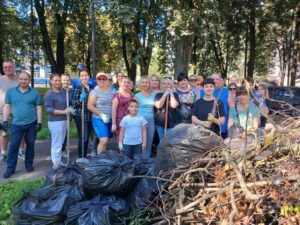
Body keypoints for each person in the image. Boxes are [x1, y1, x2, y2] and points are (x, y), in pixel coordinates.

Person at [2, 71, 42, 178]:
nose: (23, 81)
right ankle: (10, 169)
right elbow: (7, 106)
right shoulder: (11, 92)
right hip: (16, 124)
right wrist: (4, 120)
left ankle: (29, 165)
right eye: (21, 79)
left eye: (25, 79)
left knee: (30, 145)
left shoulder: (35, 93)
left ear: (29, 80)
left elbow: (39, 108)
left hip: (32, 123)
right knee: (14, 146)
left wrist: (39, 122)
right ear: (18, 80)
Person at [44, 74, 70, 169]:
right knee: (57, 143)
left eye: (59, 80)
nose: (58, 82)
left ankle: (58, 161)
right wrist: (64, 111)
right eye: (55, 80)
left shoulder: (63, 92)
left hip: (63, 120)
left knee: (60, 142)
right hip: (55, 122)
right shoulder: (49, 94)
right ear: (51, 81)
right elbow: (49, 110)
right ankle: (56, 164)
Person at [87, 72, 114, 154]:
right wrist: (101, 115)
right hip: (98, 118)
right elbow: (90, 106)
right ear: (97, 80)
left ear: (107, 80)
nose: (102, 80)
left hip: (110, 119)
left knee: (106, 142)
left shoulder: (111, 92)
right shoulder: (94, 91)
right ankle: (98, 161)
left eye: (104, 79)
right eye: (99, 79)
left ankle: (103, 160)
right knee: (103, 140)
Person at [0, 60, 19, 163]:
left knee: (21, 132)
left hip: (18, 110)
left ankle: (21, 151)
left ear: (14, 67)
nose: (8, 69)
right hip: (3, 111)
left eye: (10, 67)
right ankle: (3, 153)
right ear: (3, 68)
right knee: (4, 133)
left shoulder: (19, 79)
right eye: (5, 67)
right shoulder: (0, 80)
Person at [71, 69, 93, 158]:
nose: (84, 77)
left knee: (87, 136)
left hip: (90, 115)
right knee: (83, 136)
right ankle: (81, 156)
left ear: (89, 76)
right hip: (80, 115)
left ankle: (84, 155)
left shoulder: (91, 87)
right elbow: (74, 103)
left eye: (86, 75)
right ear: (80, 77)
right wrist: (80, 99)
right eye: (82, 76)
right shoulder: (78, 87)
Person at [201, 73, 229, 138]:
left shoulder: (226, 91)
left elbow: (232, 107)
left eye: (217, 79)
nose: (215, 81)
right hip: (206, 126)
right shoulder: (202, 92)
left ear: (220, 80)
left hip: (222, 125)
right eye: (213, 79)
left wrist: (230, 124)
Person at [135, 76, 156, 158]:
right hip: (140, 120)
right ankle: (139, 159)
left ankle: (146, 160)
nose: (144, 84)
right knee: (140, 140)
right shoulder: (137, 95)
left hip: (151, 120)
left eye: (146, 82)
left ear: (149, 84)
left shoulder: (154, 95)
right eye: (143, 82)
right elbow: (134, 109)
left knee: (149, 140)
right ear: (140, 84)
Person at [111, 76, 134, 141]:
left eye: (128, 82)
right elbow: (113, 110)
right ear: (120, 83)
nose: (126, 84)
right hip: (120, 121)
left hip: (131, 121)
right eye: (124, 82)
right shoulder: (117, 95)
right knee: (121, 140)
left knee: (130, 140)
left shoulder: (132, 95)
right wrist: (114, 124)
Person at [60, 73, 73, 156]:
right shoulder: (58, 91)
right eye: (64, 80)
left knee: (65, 133)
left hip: (68, 116)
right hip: (59, 116)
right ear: (61, 81)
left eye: (67, 80)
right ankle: (58, 150)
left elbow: (73, 103)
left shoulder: (71, 91)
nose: (66, 82)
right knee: (59, 133)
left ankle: (63, 149)